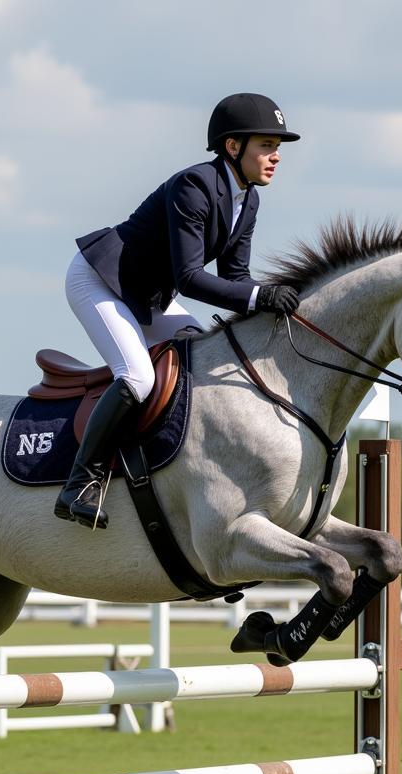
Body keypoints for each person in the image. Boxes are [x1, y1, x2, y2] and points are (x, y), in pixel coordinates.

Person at [55, 92, 302, 530]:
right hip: (100, 281)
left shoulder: (248, 200)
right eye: (266, 145)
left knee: (195, 353)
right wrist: (260, 297)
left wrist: (271, 303)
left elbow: (236, 275)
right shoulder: (196, 186)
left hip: (148, 293)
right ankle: (81, 482)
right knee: (137, 377)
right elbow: (190, 278)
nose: (276, 156)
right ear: (233, 147)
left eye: (277, 147)